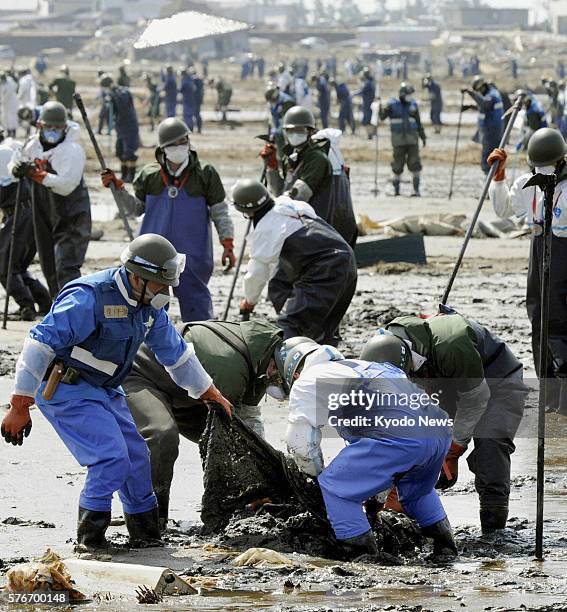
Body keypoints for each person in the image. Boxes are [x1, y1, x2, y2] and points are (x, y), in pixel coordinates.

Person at [0, 234, 232, 554]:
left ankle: (146, 533)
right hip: (66, 387)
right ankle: (90, 541)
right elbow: (39, 344)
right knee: (111, 458)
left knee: (137, 457)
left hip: (107, 388)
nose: (165, 293)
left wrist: (209, 392)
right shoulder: (89, 297)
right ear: (137, 277)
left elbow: (176, 355)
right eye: (160, 286)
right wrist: (19, 404)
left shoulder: (148, 305)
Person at [280, 338, 457, 561]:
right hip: (437, 432)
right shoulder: (368, 367)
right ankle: (447, 551)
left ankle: (364, 558)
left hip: (401, 437)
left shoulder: (308, 380)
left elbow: (300, 443)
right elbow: (380, 458)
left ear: (293, 373)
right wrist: (375, 499)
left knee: (335, 487)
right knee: (418, 491)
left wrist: (314, 481)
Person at [361, 308, 528, 534]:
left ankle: (494, 531)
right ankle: (402, 513)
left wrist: (453, 450)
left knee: (491, 446)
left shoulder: (452, 345)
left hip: (497, 381)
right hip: (444, 380)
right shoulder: (387, 348)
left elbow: (476, 401)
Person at [125, 319, 283, 529]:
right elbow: (232, 429)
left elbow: (249, 423)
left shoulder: (262, 359)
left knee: (233, 445)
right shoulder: (230, 368)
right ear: (274, 367)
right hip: (142, 373)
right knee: (162, 436)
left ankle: (246, 502)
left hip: (188, 391)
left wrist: (260, 480)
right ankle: (149, 520)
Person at [101, 117, 234, 322]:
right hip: (153, 256)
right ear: (163, 148)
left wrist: (227, 242)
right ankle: (149, 349)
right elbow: (136, 209)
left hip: (193, 255)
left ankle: (201, 345)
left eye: (184, 141)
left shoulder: (205, 174)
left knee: (196, 308)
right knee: (149, 308)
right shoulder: (149, 175)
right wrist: (118, 189)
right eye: (174, 144)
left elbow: (220, 212)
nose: (180, 147)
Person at [487, 128, 567, 415]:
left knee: (559, 322)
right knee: (539, 319)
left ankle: (564, 394)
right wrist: (499, 177)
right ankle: (548, 391)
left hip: (563, 252)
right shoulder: (527, 183)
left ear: (560, 161)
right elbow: (504, 210)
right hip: (538, 247)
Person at [233, 179, 357, 345]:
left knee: (291, 324)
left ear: (246, 211)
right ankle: (326, 357)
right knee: (325, 327)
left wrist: (249, 301)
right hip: (346, 257)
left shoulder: (265, 229)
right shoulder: (287, 204)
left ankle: (287, 362)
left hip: (324, 268)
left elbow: (257, 273)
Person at [8, 101, 91, 299]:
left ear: (65, 127)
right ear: (40, 126)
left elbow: (66, 185)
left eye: (57, 128)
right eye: (48, 127)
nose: (52, 131)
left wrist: (38, 175)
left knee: (66, 267)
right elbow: (14, 166)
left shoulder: (71, 150)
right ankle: (59, 314)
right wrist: (16, 169)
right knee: (49, 268)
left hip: (72, 216)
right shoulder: (33, 145)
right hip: (44, 214)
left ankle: (75, 314)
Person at [261, 105, 357, 246]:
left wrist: (269, 209)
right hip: (311, 228)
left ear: (310, 131)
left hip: (326, 230)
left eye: (299, 130)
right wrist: (272, 167)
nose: (294, 134)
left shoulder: (317, 158)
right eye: (290, 131)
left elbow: (298, 195)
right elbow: (281, 191)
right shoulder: (295, 157)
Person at [0, 128, 51, 320]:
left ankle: (27, 305)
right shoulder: (10, 147)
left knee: (4, 266)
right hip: (28, 212)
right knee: (17, 265)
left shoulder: (3, 153)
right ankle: (44, 301)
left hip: (19, 214)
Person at [379, 82, 426, 197]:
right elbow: (382, 117)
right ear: (402, 94)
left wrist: (422, 136)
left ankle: (416, 190)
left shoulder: (413, 105)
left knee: (415, 164)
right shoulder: (392, 105)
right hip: (398, 141)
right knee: (397, 165)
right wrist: (379, 106)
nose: (410, 96)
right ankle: (396, 190)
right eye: (409, 94)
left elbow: (418, 122)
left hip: (412, 141)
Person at [100, 74, 139, 183]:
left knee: (129, 152)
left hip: (129, 126)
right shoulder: (112, 94)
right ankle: (124, 174)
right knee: (120, 151)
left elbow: (123, 107)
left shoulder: (123, 92)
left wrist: (113, 96)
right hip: (120, 127)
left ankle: (130, 176)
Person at [463, 76, 504, 175]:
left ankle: (489, 176)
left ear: (483, 86)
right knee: (488, 152)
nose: (480, 93)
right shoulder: (490, 94)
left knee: (489, 153)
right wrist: (470, 107)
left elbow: (485, 104)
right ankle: (490, 175)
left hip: (492, 130)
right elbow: (485, 108)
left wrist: (470, 92)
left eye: (479, 90)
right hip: (488, 128)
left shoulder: (492, 95)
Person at [352, 67, 376, 140]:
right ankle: (371, 134)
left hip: (368, 103)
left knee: (367, 120)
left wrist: (353, 94)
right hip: (369, 103)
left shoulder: (368, 83)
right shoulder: (371, 82)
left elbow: (362, 91)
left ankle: (370, 134)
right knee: (368, 119)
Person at [0, 72, 19, 137]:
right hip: (5, 105)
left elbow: (7, 94)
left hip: (12, 103)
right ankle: (8, 132)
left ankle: (13, 132)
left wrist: (1, 101)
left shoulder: (10, 82)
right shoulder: (2, 84)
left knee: (12, 118)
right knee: (5, 118)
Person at [192, 68, 204, 133]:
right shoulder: (200, 80)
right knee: (197, 114)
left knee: (194, 114)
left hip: (194, 100)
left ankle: (195, 128)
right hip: (199, 99)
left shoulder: (193, 79)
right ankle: (199, 129)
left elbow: (193, 89)